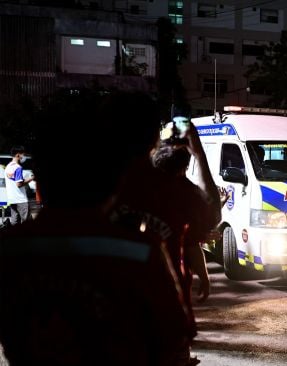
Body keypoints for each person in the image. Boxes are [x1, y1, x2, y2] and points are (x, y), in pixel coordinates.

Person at [0, 91, 192, 366]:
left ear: (39, 184)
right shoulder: (140, 253)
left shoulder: (8, 250)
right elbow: (172, 340)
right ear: (114, 183)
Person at [111, 117, 221, 358]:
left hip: (106, 315)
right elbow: (211, 213)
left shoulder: (105, 184)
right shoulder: (175, 190)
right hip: (163, 316)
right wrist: (198, 151)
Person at [151, 124, 226, 318]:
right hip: (167, 302)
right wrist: (199, 154)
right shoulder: (184, 195)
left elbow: (191, 242)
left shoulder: (129, 188)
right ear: (184, 167)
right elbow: (212, 214)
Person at [4, 146, 34, 225]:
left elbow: (14, 181)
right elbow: (19, 184)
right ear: (18, 155)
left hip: (12, 199)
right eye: (23, 154)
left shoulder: (8, 167)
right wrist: (31, 178)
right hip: (21, 199)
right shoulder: (18, 167)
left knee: (15, 222)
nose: (23, 157)